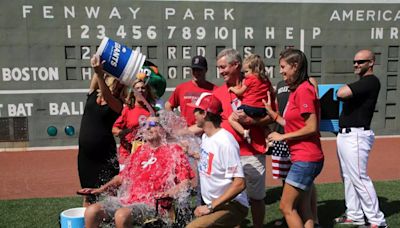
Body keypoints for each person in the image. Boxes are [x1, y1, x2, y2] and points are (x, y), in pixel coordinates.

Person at [80, 116, 195, 228]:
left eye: (153, 125)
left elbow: (186, 182)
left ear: (163, 129)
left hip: (153, 203)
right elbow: (121, 177)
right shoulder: (140, 151)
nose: (147, 128)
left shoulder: (174, 151)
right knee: (92, 211)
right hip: (129, 200)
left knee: (121, 215)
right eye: (145, 125)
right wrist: (100, 189)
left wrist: (170, 192)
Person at [213, 48, 274, 228]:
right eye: (219, 68)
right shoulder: (218, 93)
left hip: (253, 152)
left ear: (236, 65)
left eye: (224, 67)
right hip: (228, 155)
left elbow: (272, 115)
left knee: (256, 198)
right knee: (232, 200)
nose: (221, 71)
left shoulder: (262, 84)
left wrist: (252, 121)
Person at [264, 48, 324, 228]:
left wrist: (282, 136)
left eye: (283, 67)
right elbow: (291, 122)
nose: (280, 71)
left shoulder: (304, 90)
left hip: (306, 158)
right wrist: (273, 115)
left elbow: (312, 127)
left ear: (295, 66)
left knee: (286, 207)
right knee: (304, 208)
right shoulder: (297, 91)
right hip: (304, 157)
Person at [334, 49, 387, 228]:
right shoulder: (362, 83)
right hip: (346, 135)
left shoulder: (371, 81)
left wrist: (342, 90)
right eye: (355, 62)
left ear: (371, 63)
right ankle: (355, 214)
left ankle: (377, 221)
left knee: (359, 177)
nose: (356, 65)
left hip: (356, 136)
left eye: (361, 62)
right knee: (348, 177)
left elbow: (341, 93)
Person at [186, 93, 249, 227]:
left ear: (204, 114)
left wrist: (210, 207)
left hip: (232, 204)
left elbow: (239, 183)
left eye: (196, 110)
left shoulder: (225, 142)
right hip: (215, 203)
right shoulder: (206, 137)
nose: (193, 113)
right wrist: (193, 154)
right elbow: (212, 160)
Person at [78, 54, 126, 207]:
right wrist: (100, 56)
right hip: (85, 156)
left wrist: (99, 73)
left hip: (105, 156)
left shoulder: (118, 104)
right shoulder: (92, 94)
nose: (118, 86)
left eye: (121, 85)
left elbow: (106, 93)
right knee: (88, 194)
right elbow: (97, 80)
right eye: (116, 82)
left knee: (110, 195)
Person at [228, 54, 274, 144]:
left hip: (249, 107)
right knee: (263, 125)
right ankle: (270, 140)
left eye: (246, 71)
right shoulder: (266, 80)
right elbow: (272, 91)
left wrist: (232, 89)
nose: (245, 74)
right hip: (262, 109)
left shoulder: (250, 79)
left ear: (254, 70)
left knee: (231, 119)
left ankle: (244, 132)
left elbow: (240, 92)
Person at [165, 55, 217, 134]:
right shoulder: (182, 88)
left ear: (206, 70)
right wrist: (174, 124)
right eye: (194, 69)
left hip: (205, 134)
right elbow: (168, 105)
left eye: (199, 69)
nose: (196, 72)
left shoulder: (214, 90)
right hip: (185, 134)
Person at [112, 79, 157, 170]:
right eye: (137, 88)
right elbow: (114, 129)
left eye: (143, 88)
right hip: (127, 155)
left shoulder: (152, 111)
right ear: (133, 92)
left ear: (147, 92)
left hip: (145, 155)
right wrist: (125, 132)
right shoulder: (128, 109)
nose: (140, 90)